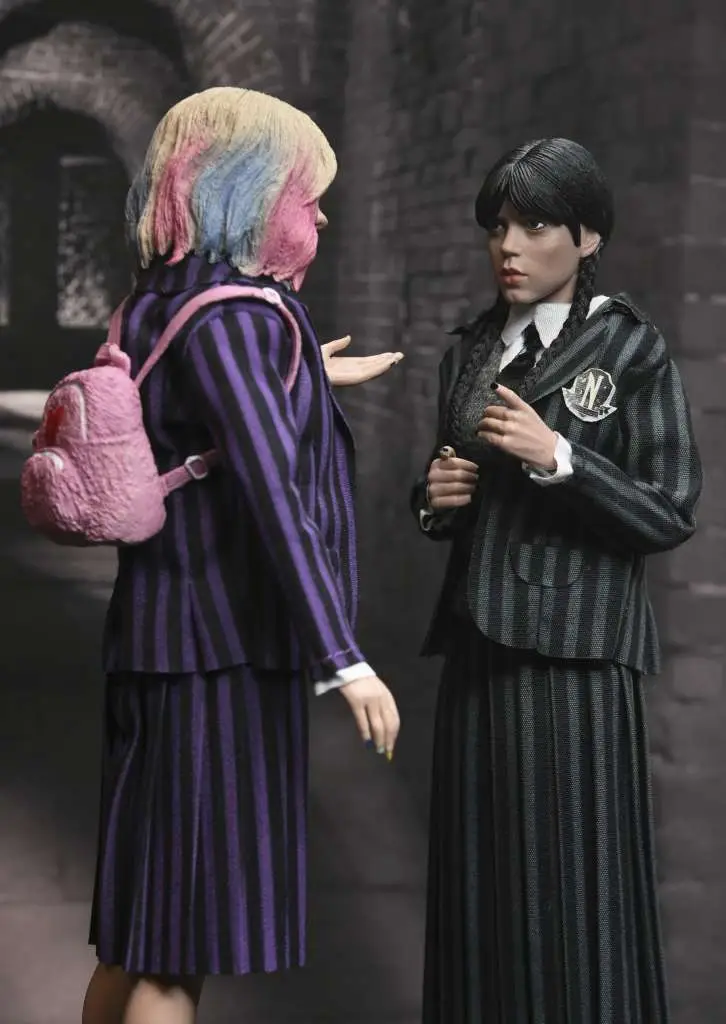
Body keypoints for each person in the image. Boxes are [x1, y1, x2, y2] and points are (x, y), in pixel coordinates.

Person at [81, 87, 401, 1024]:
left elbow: (200, 402)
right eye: (308, 195)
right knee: (178, 950)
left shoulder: (161, 301)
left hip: (157, 639)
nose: (321, 217)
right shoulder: (239, 320)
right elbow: (274, 495)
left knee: (143, 931)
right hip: (215, 654)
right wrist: (343, 656)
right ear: (248, 192)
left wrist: (304, 372)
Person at [411, 137, 702, 1023]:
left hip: (573, 665)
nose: (509, 245)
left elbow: (669, 512)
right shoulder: (470, 349)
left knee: (573, 901)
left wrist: (562, 459)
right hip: (476, 653)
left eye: (535, 226)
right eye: (499, 226)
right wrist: (433, 500)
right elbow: (453, 495)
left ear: (587, 237)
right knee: (473, 895)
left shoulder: (632, 348)